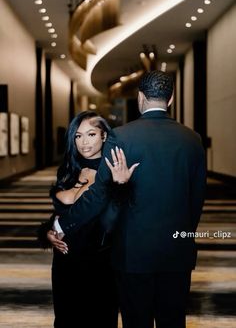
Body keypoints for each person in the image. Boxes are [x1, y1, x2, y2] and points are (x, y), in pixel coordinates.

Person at [55, 71, 206, 328]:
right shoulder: (192, 139)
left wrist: (62, 225)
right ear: (170, 100)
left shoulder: (122, 137)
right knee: (173, 321)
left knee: (137, 321)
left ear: (140, 98)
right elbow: (196, 201)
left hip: (133, 254)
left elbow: (99, 194)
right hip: (177, 253)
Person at [38, 111, 137, 328]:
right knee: (65, 320)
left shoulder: (114, 169)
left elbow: (116, 218)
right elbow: (60, 214)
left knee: (99, 319)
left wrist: (121, 187)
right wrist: (48, 231)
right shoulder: (68, 169)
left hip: (99, 264)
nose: (84, 142)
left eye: (91, 134)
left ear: (104, 136)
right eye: (78, 136)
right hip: (65, 262)